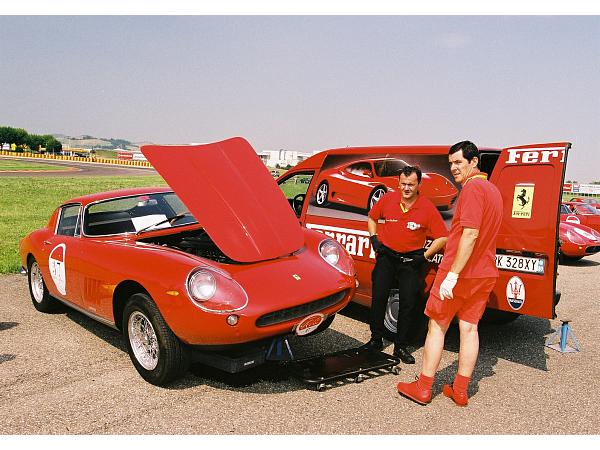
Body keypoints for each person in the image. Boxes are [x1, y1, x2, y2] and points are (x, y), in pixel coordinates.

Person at [396, 141, 503, 406]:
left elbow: (470, 233)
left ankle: (423, 387)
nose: (453, 168)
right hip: (485, 272)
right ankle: (460, 390)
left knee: (437, 326)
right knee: (469, 328)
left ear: (474, 161)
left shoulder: (472, 189)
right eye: (451, 163)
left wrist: (453, 275)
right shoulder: (494, 191)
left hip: (460, 273)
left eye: (458, 162)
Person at [365, 165, 448, 364]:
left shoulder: (427, 207)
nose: (406, 188)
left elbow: (443, 237)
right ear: (398, 183)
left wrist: (424, 256)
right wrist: (374, 239)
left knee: (408, 304)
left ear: (419, 184)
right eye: (403, 184)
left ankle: (400, 347)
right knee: (379, 298)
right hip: (387, 257)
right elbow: (371, 217)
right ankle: (375, 340)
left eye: (411, 184)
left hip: (411, 260)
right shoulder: (388, 199)